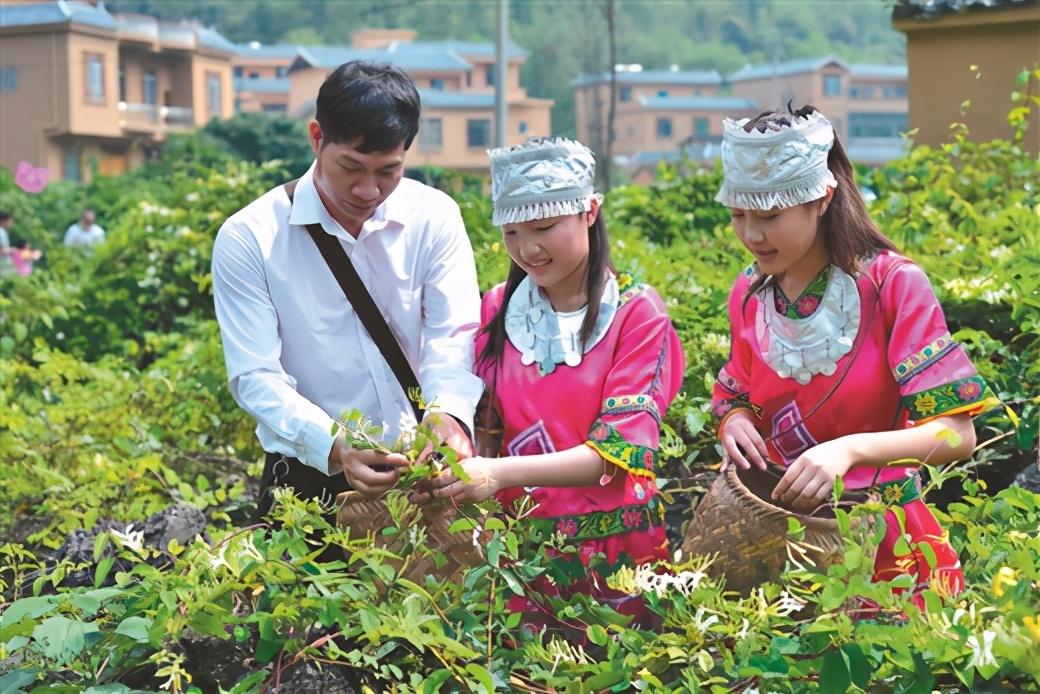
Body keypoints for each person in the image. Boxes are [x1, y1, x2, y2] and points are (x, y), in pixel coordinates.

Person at [710, 105, 999, 607]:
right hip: (771, 532)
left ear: (820, 199)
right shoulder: (749, 291)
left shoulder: (893, 284)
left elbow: (957, 434)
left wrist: (849, 451)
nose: (752, 235)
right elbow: (737, 390)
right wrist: (734, 419)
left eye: (770, 216)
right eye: (739, 215)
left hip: (882, 539)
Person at [423, 137, 684, 632]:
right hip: (514, 552)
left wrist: (498, 473)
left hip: (614, 556)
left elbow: (615, 454)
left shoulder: (636, 313)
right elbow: (473, 416)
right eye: (512, 232)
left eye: (544, 228)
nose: (528, 249)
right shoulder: (497, 308)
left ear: (590, 212)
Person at [211, 61, 483, 528]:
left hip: (423, 477)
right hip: (308, 479)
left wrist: (448, 417)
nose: (368, 189)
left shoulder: (434, 216)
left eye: (388, 170)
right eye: (350, 166)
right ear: (317, 137)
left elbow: (452, 334)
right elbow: (256, 376)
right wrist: (334, 444)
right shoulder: (251, 236)